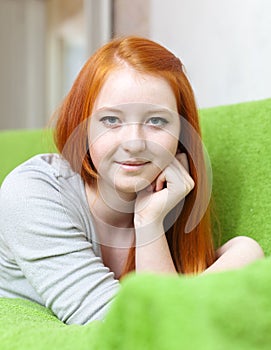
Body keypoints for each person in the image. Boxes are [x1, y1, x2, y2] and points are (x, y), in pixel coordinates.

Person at [0, 36, 264, 325]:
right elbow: (135, 329)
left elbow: (164, 322)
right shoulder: (31, 193)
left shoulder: (169, 205)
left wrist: (149, 221)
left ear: (181, 137)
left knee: (246, 250)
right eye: (111, 120)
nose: (135, 143)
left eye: (157, 121)